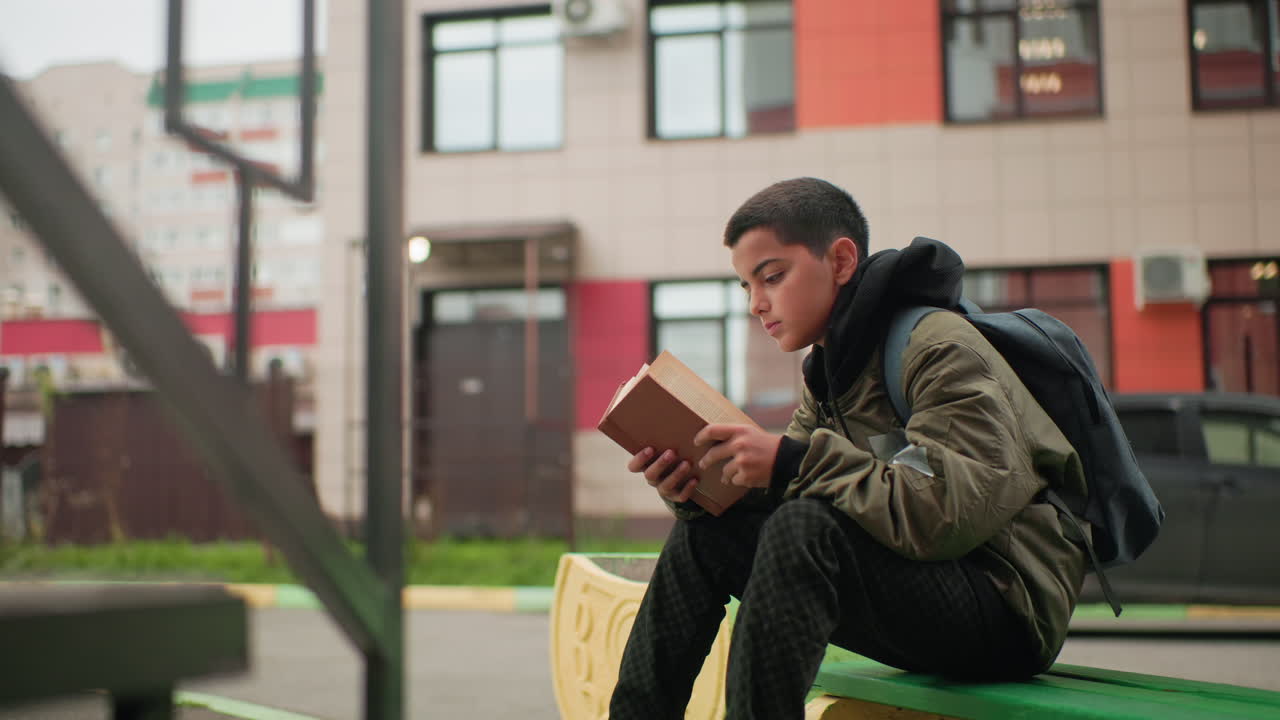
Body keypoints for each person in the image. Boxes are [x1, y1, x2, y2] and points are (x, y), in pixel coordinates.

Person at [608, 177, 1088, 720]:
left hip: (1004, 609)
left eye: (772, 277)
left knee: (806, 527)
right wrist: (697, 488)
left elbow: (948, 513)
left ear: (839, 261)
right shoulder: (833, 374)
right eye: (746, 287)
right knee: (706, 532)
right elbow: (795, 487)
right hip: (917, 588)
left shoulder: (939, 348)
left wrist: (788, 462)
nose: (757, 304)